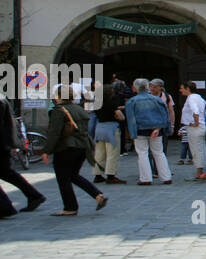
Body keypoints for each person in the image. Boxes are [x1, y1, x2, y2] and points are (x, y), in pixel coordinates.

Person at [43, 86, 108, 216]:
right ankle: (97, 195)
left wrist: (46, 151)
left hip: (66, 147)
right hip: (82, 147)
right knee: (73, 175)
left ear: (59, 96)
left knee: (63, 178)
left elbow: (54, 133)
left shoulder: (59, 111)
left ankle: (70, 206)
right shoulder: (79, 109)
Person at [0, 97, 46, 217]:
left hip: (2, 144)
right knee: (7, 173)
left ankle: (5, 207)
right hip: (4, 143)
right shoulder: (2, 99)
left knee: (7, 173)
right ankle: (34, 196)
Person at [124, 78, 172, 185]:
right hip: (156, 129)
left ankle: (146, 178)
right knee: (159, 152)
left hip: (140, 130)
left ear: (136, 88)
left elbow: (131, 119)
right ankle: (166, 177)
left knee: (142, 153)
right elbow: (165, 116)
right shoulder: (157, 100)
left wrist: (132, 134)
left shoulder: (132, 101)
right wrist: (159, 128)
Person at [91, 79, 129, 185]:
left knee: (99, 152)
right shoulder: (111, 102)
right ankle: (111, 176)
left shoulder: (97, 102)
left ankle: (97, 175)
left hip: (99, 127)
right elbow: (119, 116)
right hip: (111, 128)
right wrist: (122, 117)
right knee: (113, 152)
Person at [178, 81, 206, 179]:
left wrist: (196, 122)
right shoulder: (199, 97)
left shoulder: (191, 98)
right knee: (201, 149)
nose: (180, 90)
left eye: (182, 88)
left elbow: (195, 110)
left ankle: (200, 171)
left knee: (196, 150)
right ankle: (205, 171)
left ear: (188, 89)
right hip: (201, 126)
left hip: (195, 128)